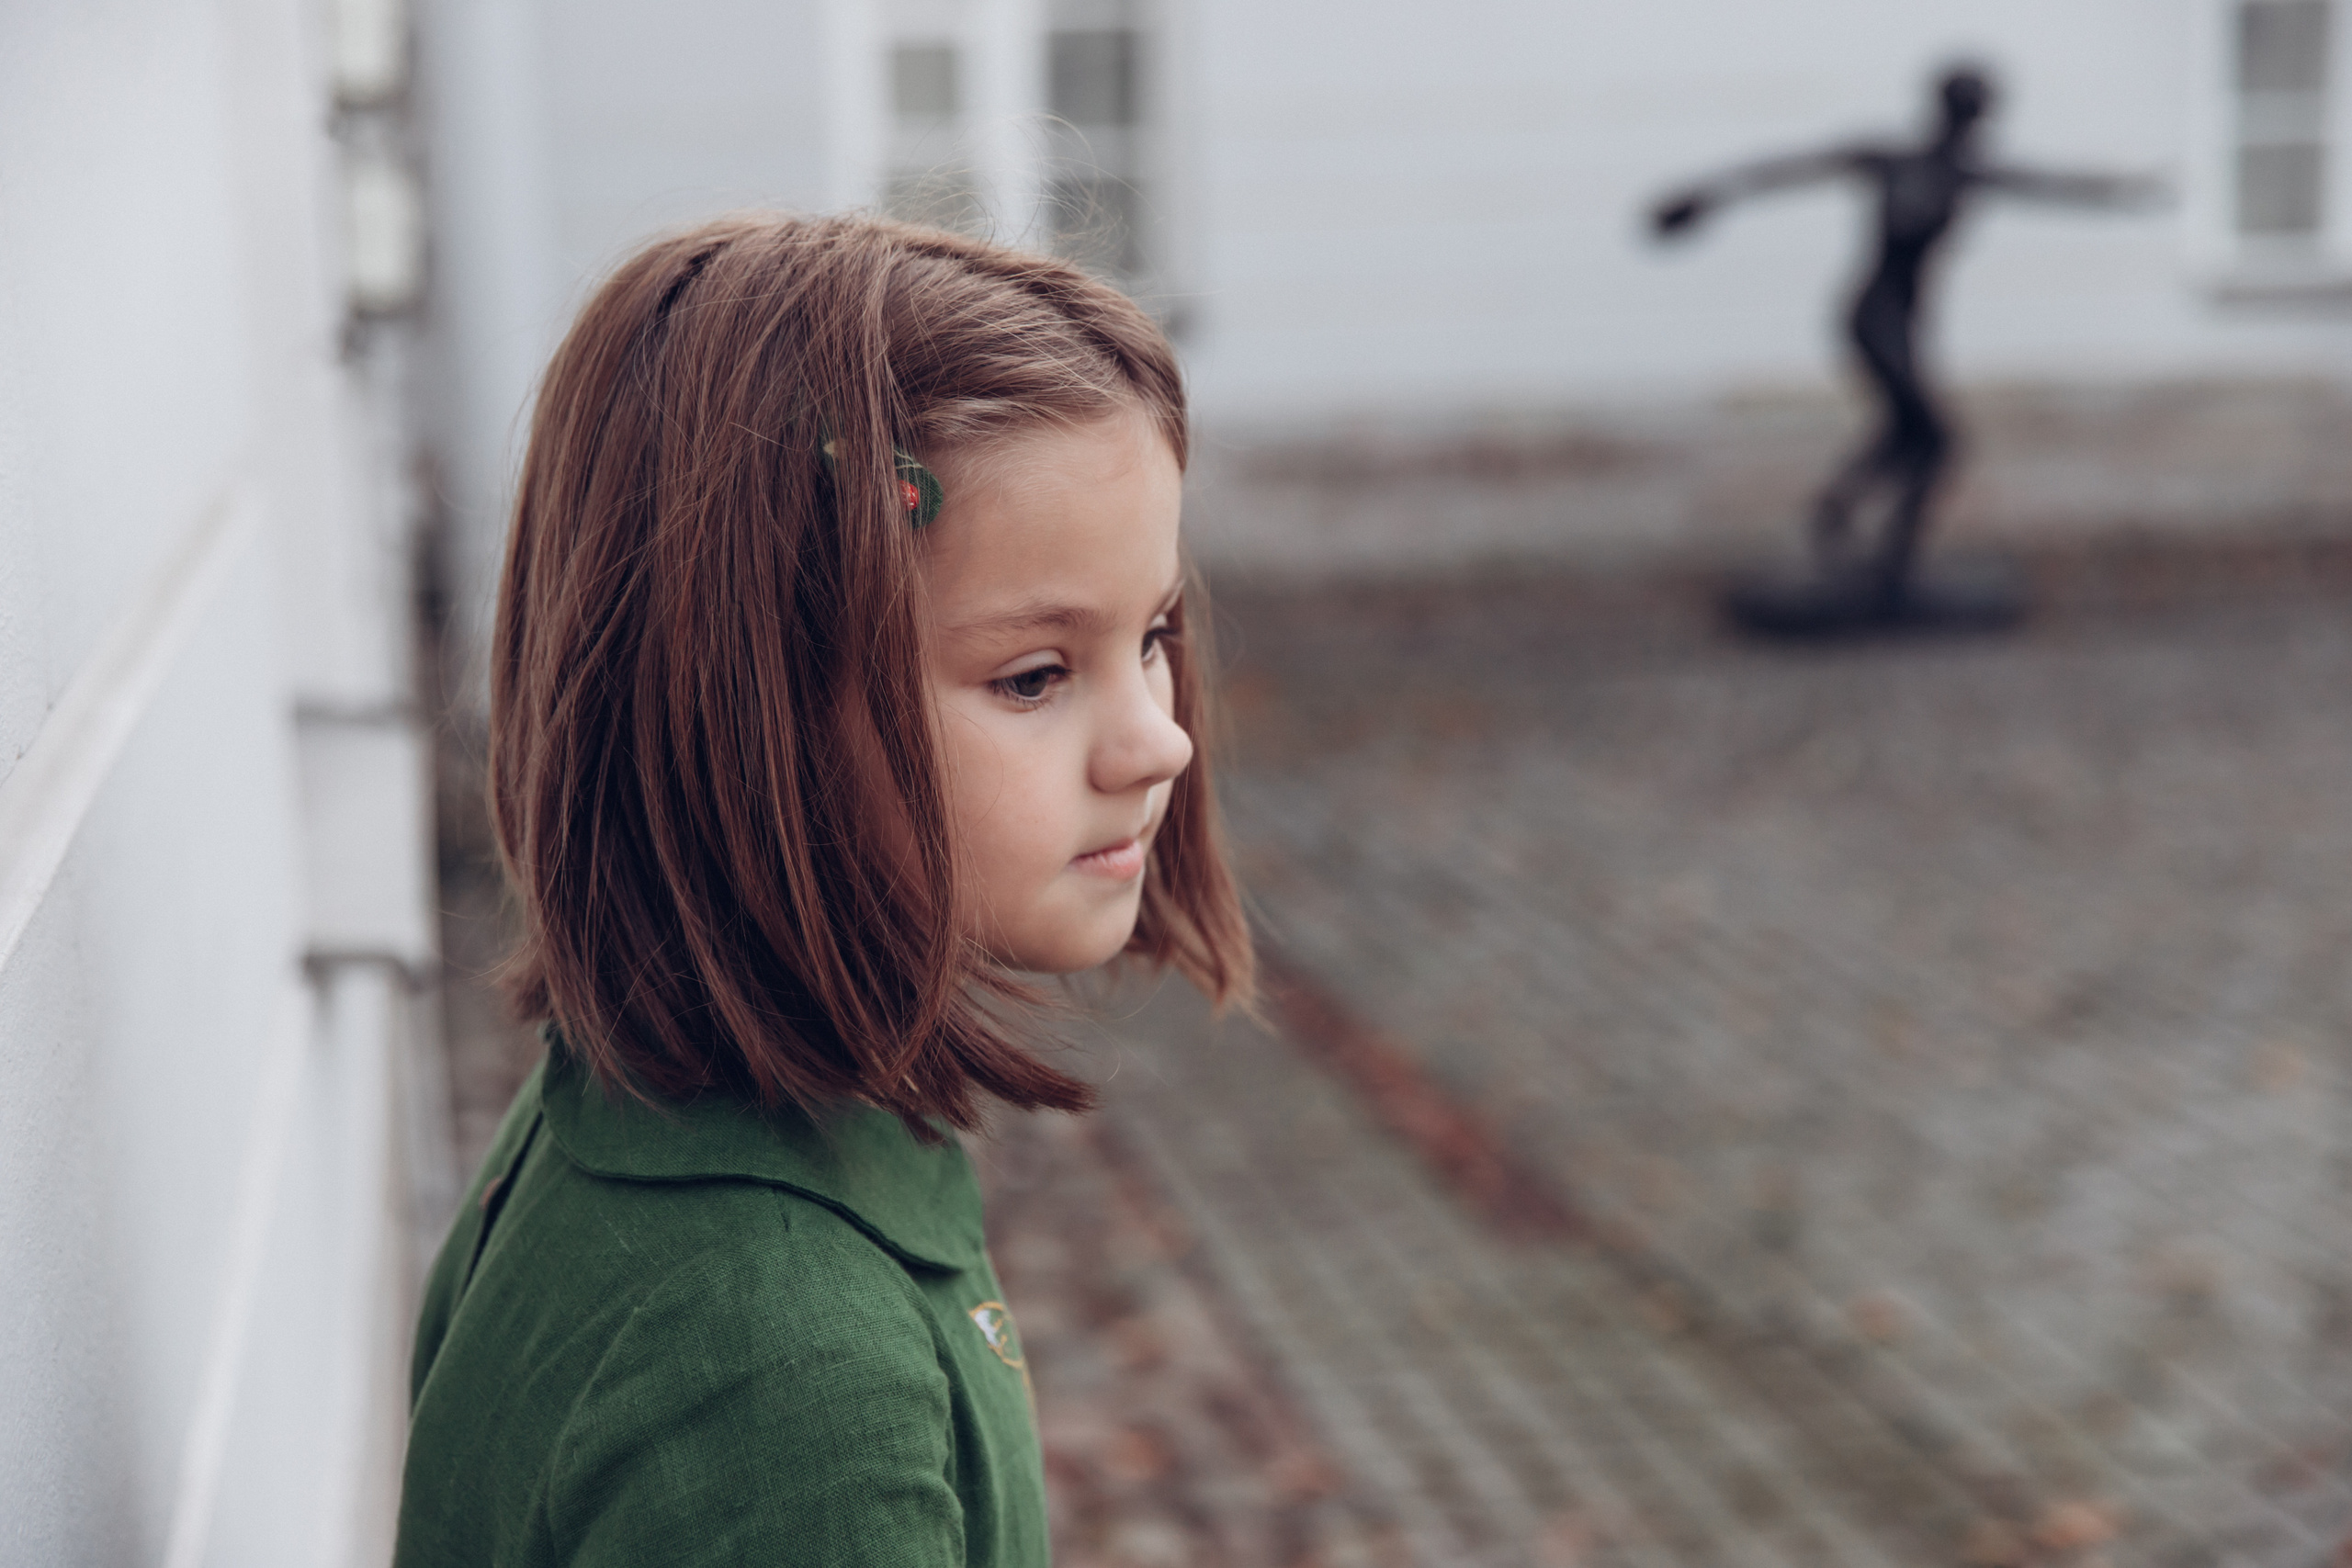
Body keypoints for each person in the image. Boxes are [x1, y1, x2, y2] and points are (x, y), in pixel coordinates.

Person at [392, 212, 1255, 1566]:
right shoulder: (784, 1378)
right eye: (1033, 673)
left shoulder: (622, 1106)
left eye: (1151, 636)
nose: (1160, 736)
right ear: (750, 726)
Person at [1652, 66, 2158, 623]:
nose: (1975, 128)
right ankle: (1873, 548)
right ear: (1951, 113)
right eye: (1971, 115)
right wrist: (1708, 195)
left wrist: (2120, 193)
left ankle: (1852, 522)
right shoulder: (1892, 160)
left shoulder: (1969, 174)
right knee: (1936, 439)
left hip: (1907, 321)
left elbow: (2047, 185)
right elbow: (1791, 170)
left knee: (1912, 434)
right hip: (1874, 316)